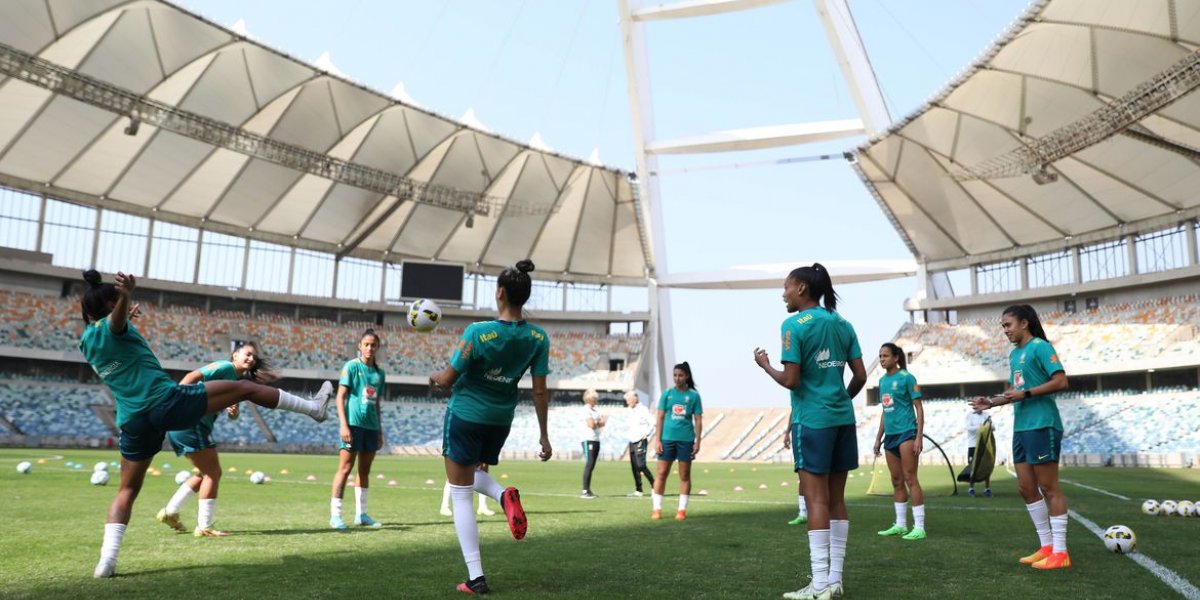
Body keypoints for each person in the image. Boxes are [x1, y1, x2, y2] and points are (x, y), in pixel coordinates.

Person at [79, 269, 332, 578]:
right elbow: (115, 324)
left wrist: (124, 311)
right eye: (116, 301)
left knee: (126, 491)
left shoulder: (86, 341)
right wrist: (127, 296)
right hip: (164, 402)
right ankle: (313, 408)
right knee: (245, 388)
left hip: (132, 420)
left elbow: (113, 330)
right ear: (110, 305)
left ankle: (106, 561)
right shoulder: (113, 325)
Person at [429, 259, 552, 595]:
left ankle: (476, 577)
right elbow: (540, 391)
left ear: (500, 293)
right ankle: (503, 495)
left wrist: (435, 377)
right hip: (500, 420)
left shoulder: (477, 332)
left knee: (460, 494)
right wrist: (543, 435)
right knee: (469, 477)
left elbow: (448, 379)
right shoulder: (538, 338)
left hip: (466, 415)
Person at [754, 263, 866, 600]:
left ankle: (818, 585)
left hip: (813, 421)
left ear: (801, 288)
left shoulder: (792, 325)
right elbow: (860, 376)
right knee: (837, 500)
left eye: (786, 287)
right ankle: (834, 580)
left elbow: (791, 380)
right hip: (842, 418)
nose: (783, 294)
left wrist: (765, 366)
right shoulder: (843, 323)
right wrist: (838, 399)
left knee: (816, 499)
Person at [971, 304, 1071, 570]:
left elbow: (1061, 381)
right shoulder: (1015, 355)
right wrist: (991, 401)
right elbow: (1016, 389)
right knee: (1026, 488)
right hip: (1022, 427)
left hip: (1042, 424)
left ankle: (1061, 553)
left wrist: (1025, 394)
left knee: (1050, 488)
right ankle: (1047, 546)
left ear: (1024, 323)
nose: (1005, 330)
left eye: (1008, 325)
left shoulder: (1040, 347)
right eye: (1003, 326)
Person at [156, 341, 278, 537]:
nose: (251, 359)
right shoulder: (224, 367)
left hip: (193, 426)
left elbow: (232, 415)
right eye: (247, 354)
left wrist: (233, 410)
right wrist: (176, 403)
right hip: (190, 422)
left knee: (202, 474)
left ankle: (170, 512)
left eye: (254, 357)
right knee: (213, 473)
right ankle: (205, 526)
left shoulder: (236, 385)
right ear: (235, 355)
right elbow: (192, 376)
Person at [330, 329, 387, 529]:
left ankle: (361, 515)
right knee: (345, 468)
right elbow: (340, 397)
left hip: (371, 427)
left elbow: (377, 403)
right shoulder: (352, 367)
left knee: (364, 471)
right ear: (359, 346)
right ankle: (335, 516)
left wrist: (380, 430)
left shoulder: (380, 373)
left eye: (373, 345)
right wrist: (343, 425)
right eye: (366, 344)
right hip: (352, 425)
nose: (370, 348)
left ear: (378, 347)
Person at [872, 343, 927, 541]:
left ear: (896, 358)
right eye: (880, 356)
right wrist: (878, 438)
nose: (882, 359)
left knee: (910, 478)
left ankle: (919, 527)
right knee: (896, 480)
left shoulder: (906, 378)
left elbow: (919, 408)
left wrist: (918, 436)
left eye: (885, 355)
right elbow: (885, 412)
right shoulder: (882, 381)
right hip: (891, 437)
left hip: (907, 433)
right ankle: (901, 525)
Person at [651, 362, 703, 521]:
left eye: (680, 375)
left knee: (685, 475)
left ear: (686, 376)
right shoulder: (667, 394)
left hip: (686, 440)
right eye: (675, 375)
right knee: (661, 473)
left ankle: (681, 510)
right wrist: (657, 439)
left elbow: (698, 420)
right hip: (667, 439)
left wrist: (697, 441)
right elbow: (659, 417)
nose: (677, 378)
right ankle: (657, 509)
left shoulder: (694, 396)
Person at [624, 390, 655, 497]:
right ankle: (639, 489)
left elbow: (653, 422)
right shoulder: (629, 410)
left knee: (641, 465)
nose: (627, 402)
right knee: (634, 466)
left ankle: (654, 484)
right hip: (632, 440)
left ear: (634, 399)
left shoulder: (643, 409)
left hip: (640, 440)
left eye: (628, 400)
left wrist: (646, 433)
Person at [782, 408, 808, 526]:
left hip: (816, 427)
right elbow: (794, 408)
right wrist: (787, 432)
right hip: (801, 429)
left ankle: (810, 512)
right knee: (802, 473)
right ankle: (803, 513)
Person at [580, 389, 606, 499]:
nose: (596, 400)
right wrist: (597, 423)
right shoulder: (585, 410)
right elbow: (591, 424)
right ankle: (585, 490)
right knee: (589, 464)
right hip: (588, 439)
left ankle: (588, 489)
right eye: (594, 398)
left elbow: (602, 422)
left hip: (596, 439)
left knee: (592, 465)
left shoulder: (595, 411)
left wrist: (597, 423)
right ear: (589, 399)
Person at [964, 407, 993, 497]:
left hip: (984, 445)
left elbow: (993, 427)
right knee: (973, 467)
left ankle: (987, 489)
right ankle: (971, 488)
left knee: (986, 466)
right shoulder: (970, 415)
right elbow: (968, 428)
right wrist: (980, 427)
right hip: (973, 445)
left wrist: (986, 427)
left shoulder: (986, 415)